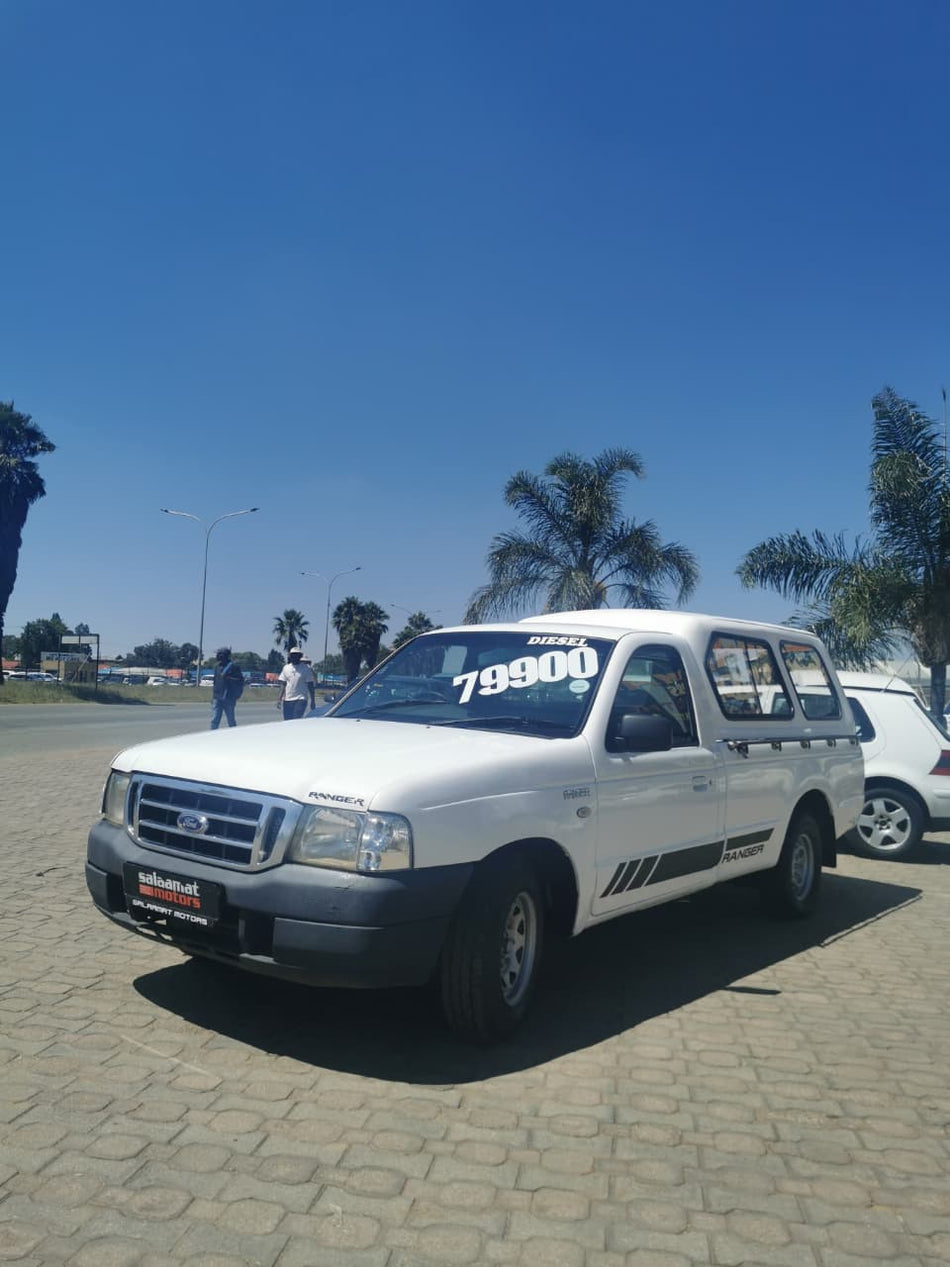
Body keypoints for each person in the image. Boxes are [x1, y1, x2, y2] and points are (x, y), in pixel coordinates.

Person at [210, 647, 244, 730]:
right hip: (217, 697)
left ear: (224, 655)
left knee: (231, 720)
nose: (217, 656)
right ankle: (212, 736)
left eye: (219, 654)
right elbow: (215, 682)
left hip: (229, 697)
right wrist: (213, 695)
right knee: (214, 719)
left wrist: (229, 678)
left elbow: (240, 681)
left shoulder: (233, 667)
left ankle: (234, 737)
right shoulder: (217, 667)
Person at [277, 647, 316, 720]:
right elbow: (283, 684)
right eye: (293, 655)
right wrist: (279, 699)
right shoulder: (286, 668)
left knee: (295, 720)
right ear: (290, 656)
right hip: (288, 699)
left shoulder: (306, 668)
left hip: (300, 699)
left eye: (297, 655)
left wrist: (313, 701)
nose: (294, 657)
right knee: (287, 721)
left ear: (300, 656)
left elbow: (310, 685)